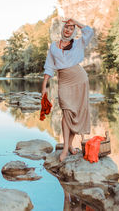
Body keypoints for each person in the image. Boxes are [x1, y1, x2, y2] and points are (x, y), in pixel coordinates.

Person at [41, 18, 94, 161]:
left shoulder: (77, 43)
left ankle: (68, 147)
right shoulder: (53, 46)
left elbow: (89, 32)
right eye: (66, 27)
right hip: (64, 81)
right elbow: (49, 66)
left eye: (71, 28)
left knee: (75, 113)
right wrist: (44, 86)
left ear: (73, 31)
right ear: (62, 29)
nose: (68, 30)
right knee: (66, 111)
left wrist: (75, 22)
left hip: (79, 78)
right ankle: (66, 147)